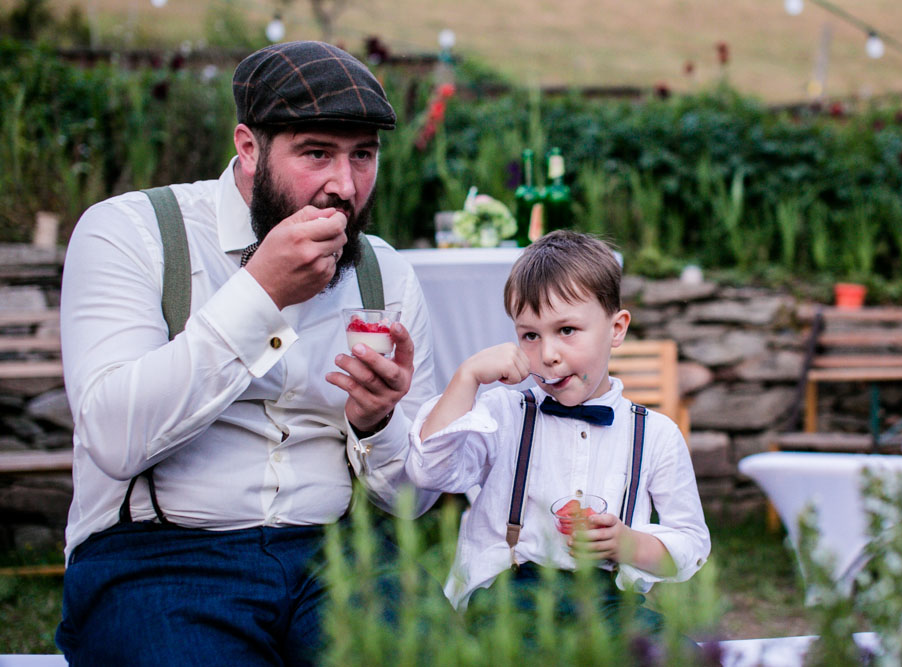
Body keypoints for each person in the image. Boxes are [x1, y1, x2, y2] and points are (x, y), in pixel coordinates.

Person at [56, 41, 439, 665]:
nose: (343, 185)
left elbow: (409, 501)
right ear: (248, 147)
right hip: (160, 556)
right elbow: (114, 438)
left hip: (339, 559)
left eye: (362, 156)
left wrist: (377, 424)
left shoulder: (385, 275)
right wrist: (261, 293)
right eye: (316, 153)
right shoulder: (130, 233)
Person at [405, 230, 711, 627]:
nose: (548, 355)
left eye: (566, 331)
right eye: (530, 335)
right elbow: (428, 470)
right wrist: (466, 378)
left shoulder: (656, 435)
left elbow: (690, 544)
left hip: (608, 607)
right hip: (509, 601)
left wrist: (627, 543)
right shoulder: (503, 414)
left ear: (616, 329)